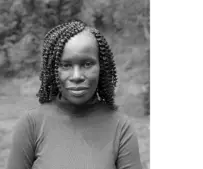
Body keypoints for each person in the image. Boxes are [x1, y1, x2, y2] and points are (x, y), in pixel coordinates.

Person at [6, 20, 143, 169]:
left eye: (87, 64)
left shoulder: (121, 127)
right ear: (53, 70)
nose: (76, 76)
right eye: (66, 65)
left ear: (101, 67)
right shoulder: (31, 125)